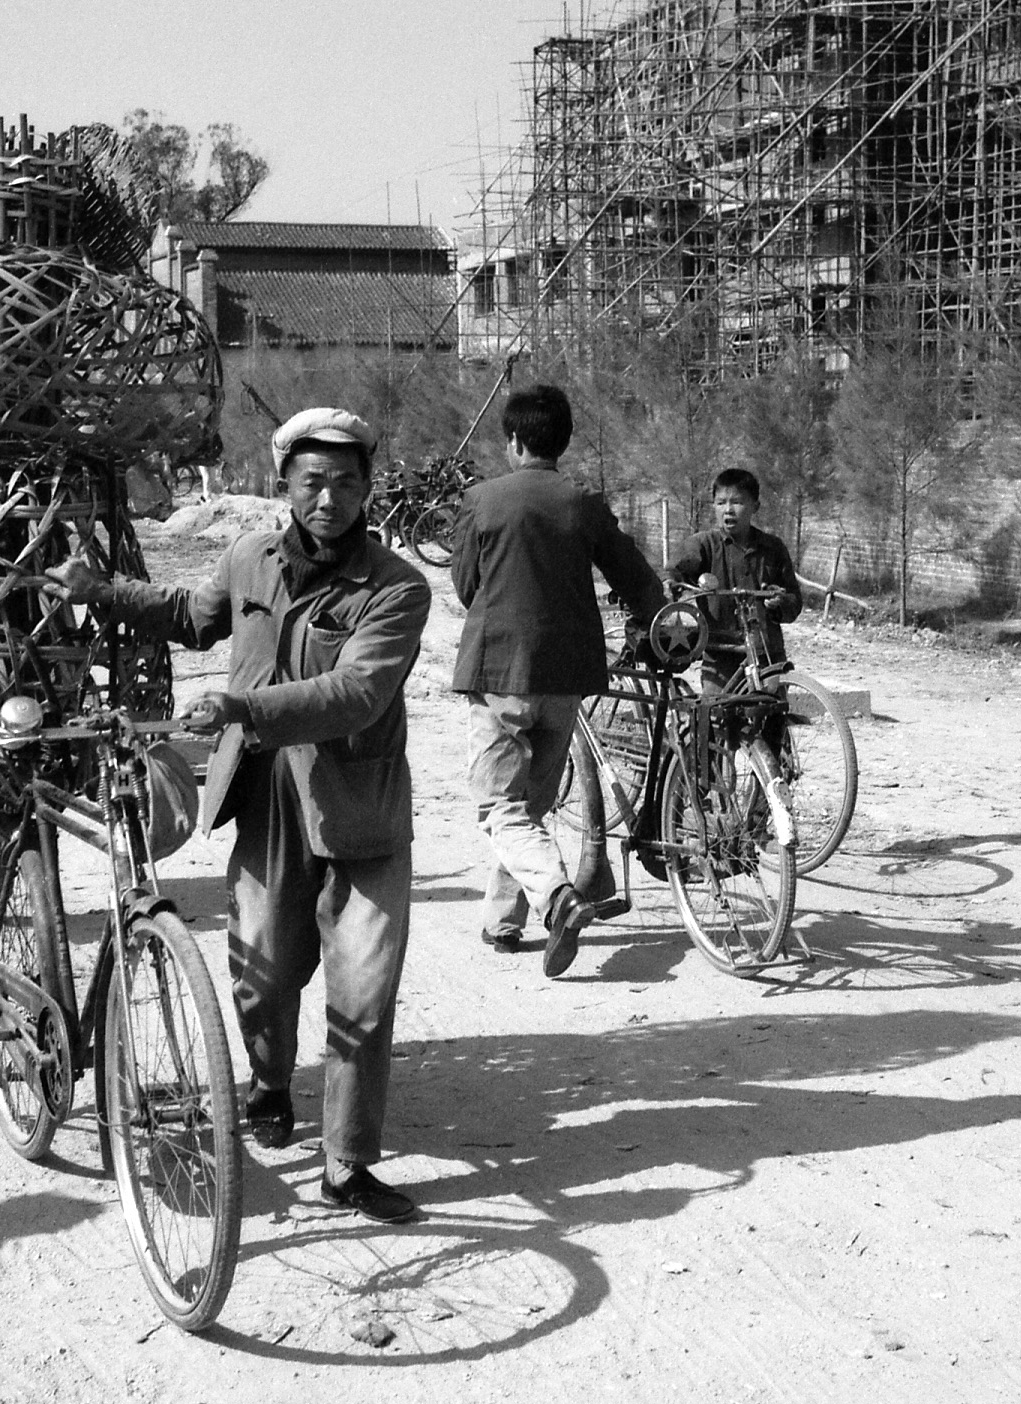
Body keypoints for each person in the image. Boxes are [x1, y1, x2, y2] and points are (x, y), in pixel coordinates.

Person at [47, 406, 432, 1225]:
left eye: (347, 484)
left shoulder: (397, 587)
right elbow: (194, 617)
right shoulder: (250, 556)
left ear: (368, 489)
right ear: (285, 486)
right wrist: (103, 592)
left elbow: (358, 691)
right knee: (261, 976)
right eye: (313, 483)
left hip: (357, 809)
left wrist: (240, 707)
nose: (330, 500)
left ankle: (347, 1166)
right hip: (266, 803)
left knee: (362, 995)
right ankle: (267, 1082)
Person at [450, 384, 667, 976]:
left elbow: (466, 585)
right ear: (564, 441)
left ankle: (558, 898)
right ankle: (504, 920)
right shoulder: (584, 505)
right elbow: (638, 579)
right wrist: (658, 627)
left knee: (500, 807)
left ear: (514, 440)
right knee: (531, 805)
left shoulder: (483, 500)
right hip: (567, 678)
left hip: (500, 672)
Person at [669, 467, 805, 690]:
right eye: (721, 503)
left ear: (755, 506)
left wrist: (779, 602)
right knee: (715, 716)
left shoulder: (773, 548)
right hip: (720, 655)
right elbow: (672, 574)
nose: (728, 510)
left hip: (767, 655)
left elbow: (794, 601)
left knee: (772, 714)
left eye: (737, 502)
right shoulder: (704, 545)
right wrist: (671, 586)